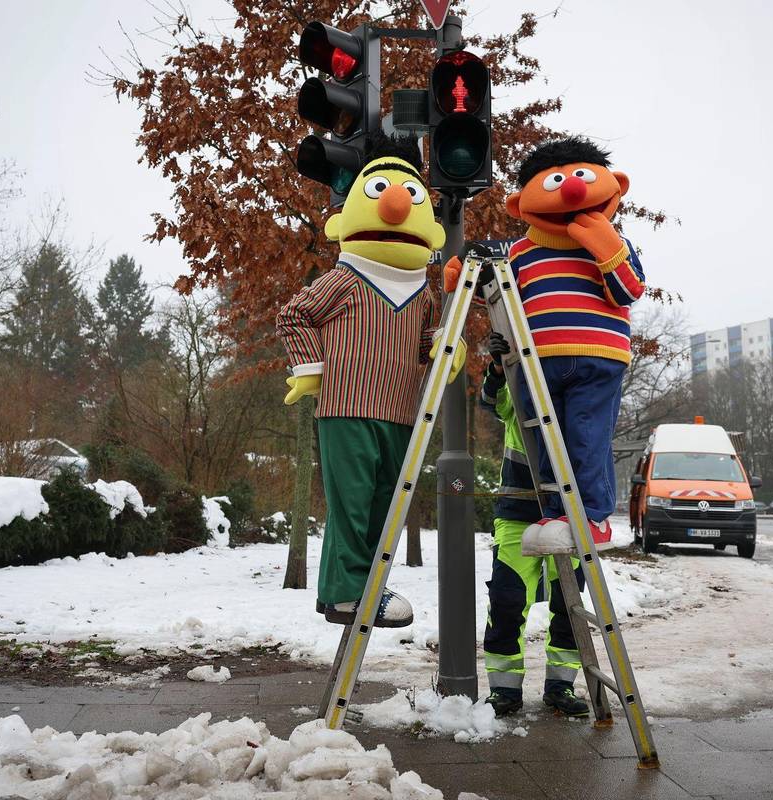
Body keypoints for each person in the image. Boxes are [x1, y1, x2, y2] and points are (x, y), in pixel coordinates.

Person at [276, 133, 464, 628]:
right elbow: (294, 315)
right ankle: (344, 592)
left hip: (402, 411)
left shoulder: (422, 292)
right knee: (352, 503)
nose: (399, 206)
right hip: (348, 406)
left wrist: (447, 347)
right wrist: (311, 368)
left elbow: (426, 339)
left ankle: (369, 587)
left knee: (388, 503)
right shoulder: (345, 279)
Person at [502, 137, 645, 555]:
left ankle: (594, 517)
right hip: (538, 360)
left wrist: (605, 244)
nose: (571, 189)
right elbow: (502, 296)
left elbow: (628, 291)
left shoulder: (613, 243)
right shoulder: (520, 252)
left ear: (614, 184)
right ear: (520, 204)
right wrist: (463, 277)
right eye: (555, 181)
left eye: (580, 177)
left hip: (599, 358)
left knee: (587, 436)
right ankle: (556, 513)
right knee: (548, 440)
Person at [479, 331, 589, 718]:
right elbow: (491, 401)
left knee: (568, 606)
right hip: (517, 512)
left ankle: (561, 687)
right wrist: (497, 368)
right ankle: (504, 692)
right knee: (507, 601)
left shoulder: (579, 400)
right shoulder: (523, 390)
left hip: (568, 515)